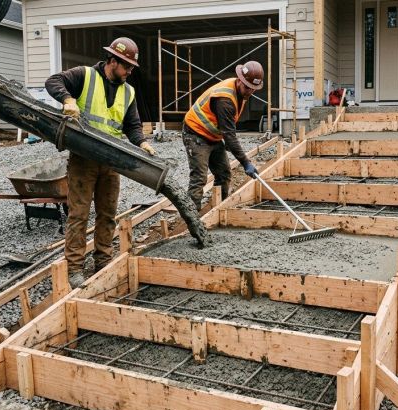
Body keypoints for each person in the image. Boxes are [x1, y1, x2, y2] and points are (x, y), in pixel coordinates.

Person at [45, 37, 156, 288]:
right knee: (79, 214)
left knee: (107, 214)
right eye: (126, 66)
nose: (129, 72)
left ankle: (103, 262)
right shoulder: (85, 75)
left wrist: (142, 143)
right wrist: (67, 99)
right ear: (112, 61)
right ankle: (74, 269)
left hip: (110, 161)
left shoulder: (128, 91)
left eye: (131, 68)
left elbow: (132, 125)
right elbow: (53, 81)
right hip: (83, 159)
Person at [182, 60, 263, 210]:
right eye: (247, 87)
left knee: (224, 174)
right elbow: (229, 135)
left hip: (212, 136)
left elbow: (227, 131)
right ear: (240, 80)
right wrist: (245, 162)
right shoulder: (225, 99)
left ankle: (219, 210)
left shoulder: (241, 92)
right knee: (199, 178)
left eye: (253, 89)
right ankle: (192, 219)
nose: (249, 92)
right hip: (195, 133)